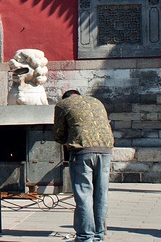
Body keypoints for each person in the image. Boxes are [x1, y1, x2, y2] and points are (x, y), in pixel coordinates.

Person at [53, 89, 114, 242]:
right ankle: (99, 236)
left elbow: (58, 134)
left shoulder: (63, 104)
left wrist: (66, 142)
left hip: (82, 151)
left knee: (84, 196)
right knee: (101, 194)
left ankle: (85, 236)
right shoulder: (96, 101)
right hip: (106, 149)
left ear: (65, 98)